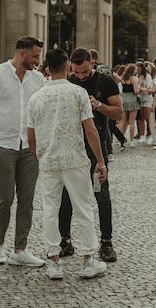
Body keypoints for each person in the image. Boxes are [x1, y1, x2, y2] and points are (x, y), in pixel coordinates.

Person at [25, 49, 107, 280]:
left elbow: (30, 135)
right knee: (83, 208)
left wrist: (37, 155)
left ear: (47, 69)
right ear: (68, 67)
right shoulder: (78, 93)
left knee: (50, 211)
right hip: (75, 159)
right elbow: (90, 130)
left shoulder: (35, 97)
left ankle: (54, 262)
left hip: (49, 161)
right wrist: (100, 160)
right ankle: (89, 259)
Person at [0, 36, 46, 267]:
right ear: (22, 53)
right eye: (34, 56)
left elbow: (42, 111)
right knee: (5, 197)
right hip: (2, 146)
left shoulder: (38, 79)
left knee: (27, 200)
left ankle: (20, 249)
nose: (37, 61)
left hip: (29, 149)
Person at [60, 48, 123, 264]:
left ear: (92, 63)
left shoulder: (106, 82)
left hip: (96, 146)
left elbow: (118, 112)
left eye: (85, 72)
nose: (81, 76)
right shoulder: (68, 81)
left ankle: (106, 243)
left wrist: (99, 105)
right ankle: (65, 241)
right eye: (76, 72)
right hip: (71, 145)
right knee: (66, 194)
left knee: (101, 194)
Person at [117, 64, 139, 144]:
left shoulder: (122, 78)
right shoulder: (134, 79)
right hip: (132, 100)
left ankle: (120, 139)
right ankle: (131, 141)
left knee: (122, 121)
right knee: (132, 122)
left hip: (123, 100)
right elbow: (136, 91)